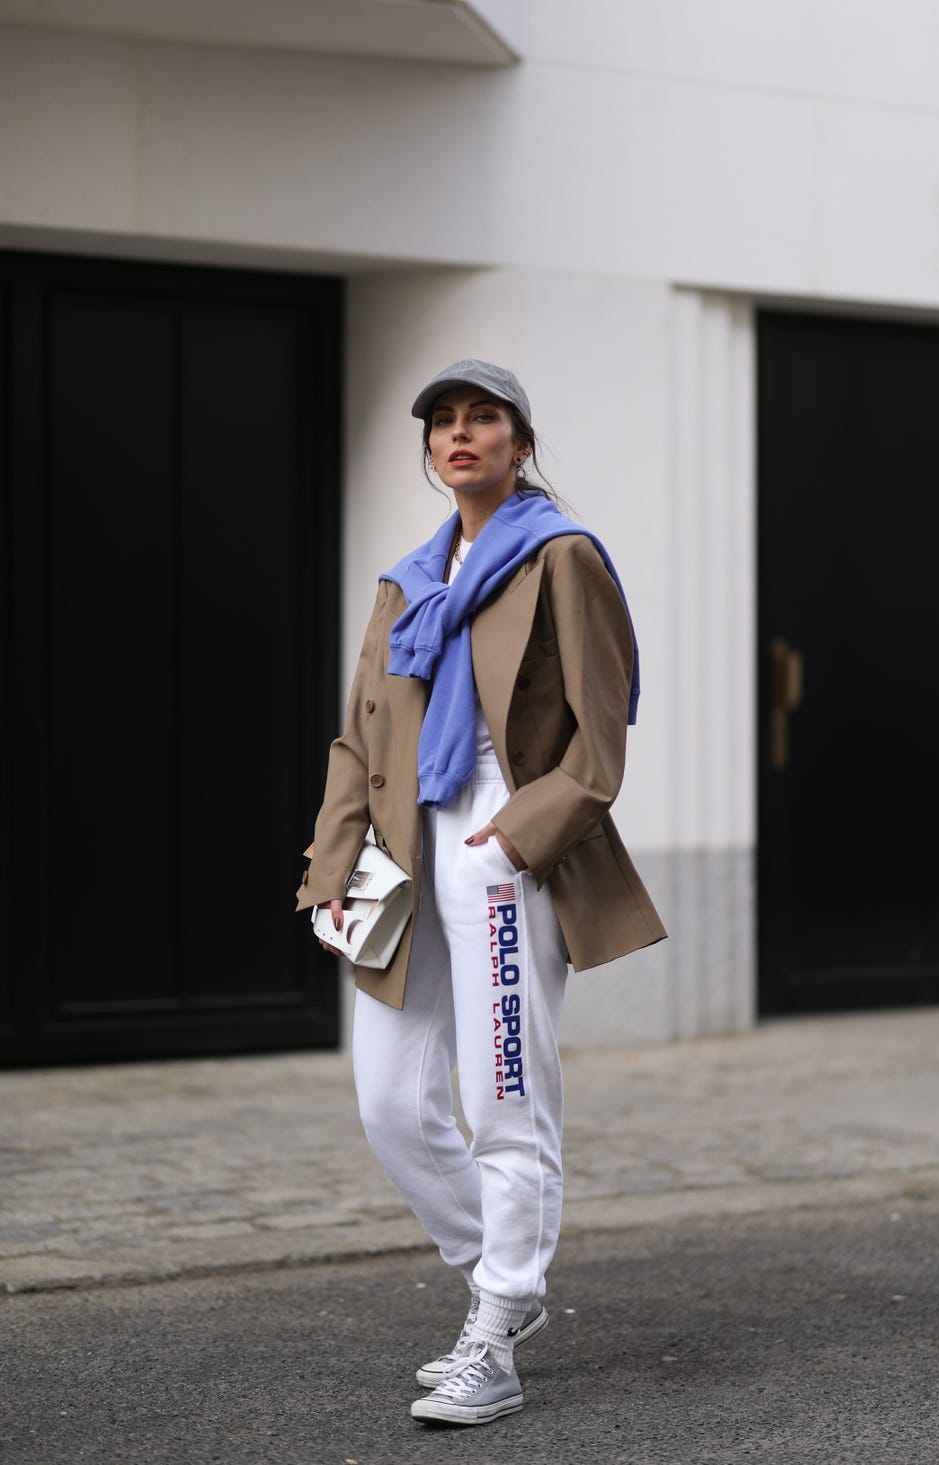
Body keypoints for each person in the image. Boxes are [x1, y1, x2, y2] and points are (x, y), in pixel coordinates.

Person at [296, 359, 667, 1427]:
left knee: (504, 1095)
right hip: (402, 850)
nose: (459, 435)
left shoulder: (560, 558)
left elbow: (597, 747)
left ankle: (496, 1324)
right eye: (442, 423)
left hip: (503, 847)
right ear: (428, 450)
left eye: (483, 419)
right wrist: (334, 870)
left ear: (519, 440)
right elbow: (355, 740)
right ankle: (496, 1276)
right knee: (388, 1101)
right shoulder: (406, 581)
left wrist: (512, 840)